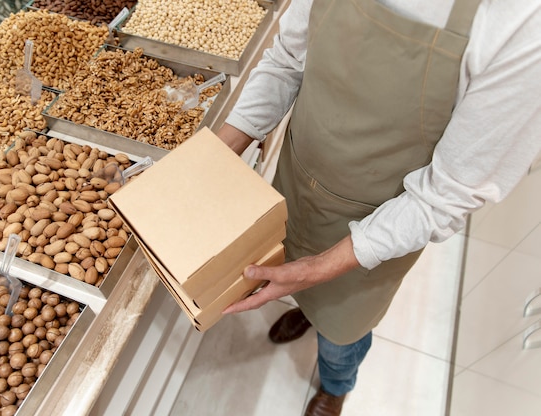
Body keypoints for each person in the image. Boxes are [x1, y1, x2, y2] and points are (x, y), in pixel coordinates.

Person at [216, 0, 541, 415]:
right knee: (293, 265)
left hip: (380, 220)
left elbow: (447, 193)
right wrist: (215, 157)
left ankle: (336, 385)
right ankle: (308, 309)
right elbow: (287, 62)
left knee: (343, 331)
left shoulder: (523, 20)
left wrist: (318, 269)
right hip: (300, 174)